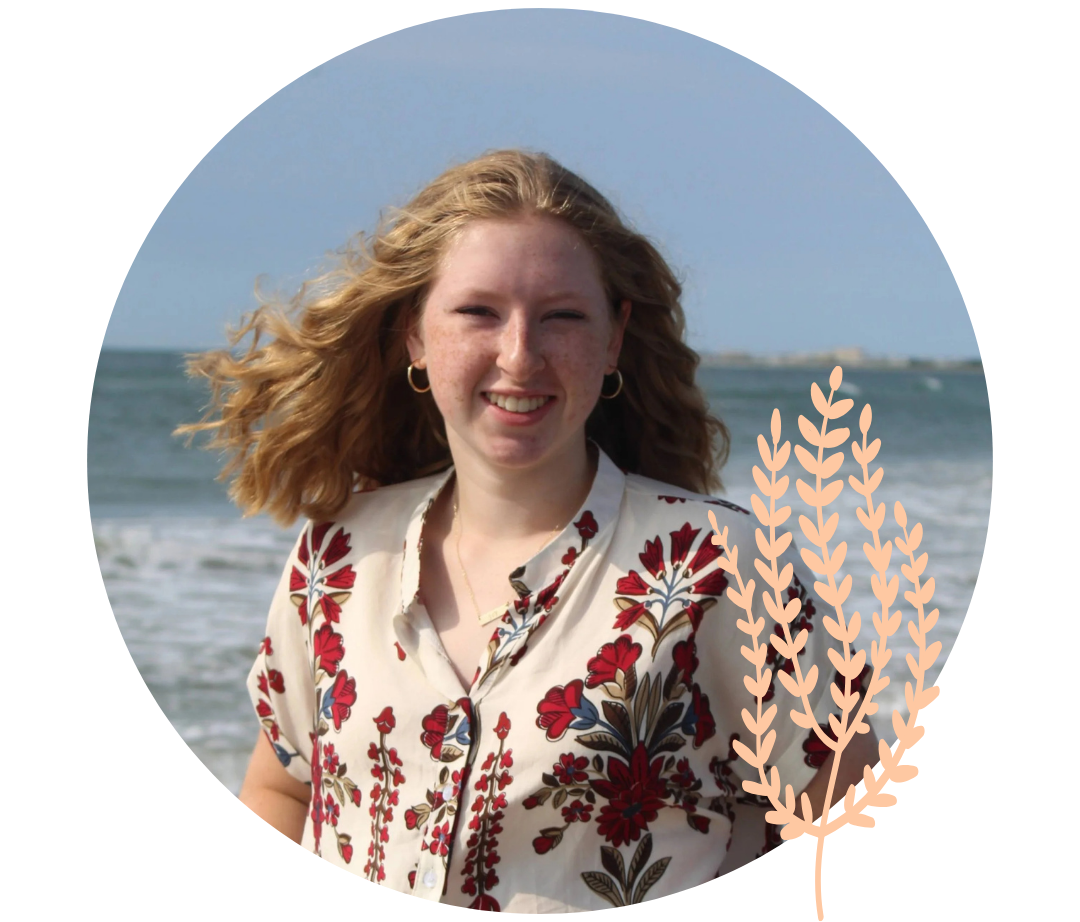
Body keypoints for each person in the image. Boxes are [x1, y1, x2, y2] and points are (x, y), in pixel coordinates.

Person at [179, 149, 876, 909]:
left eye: (562, 317)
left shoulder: (719, 567)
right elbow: (282, 788)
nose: (520, 355)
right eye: (478, 312)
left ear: (612, 339)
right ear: (416, 334)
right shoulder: (337, 555)